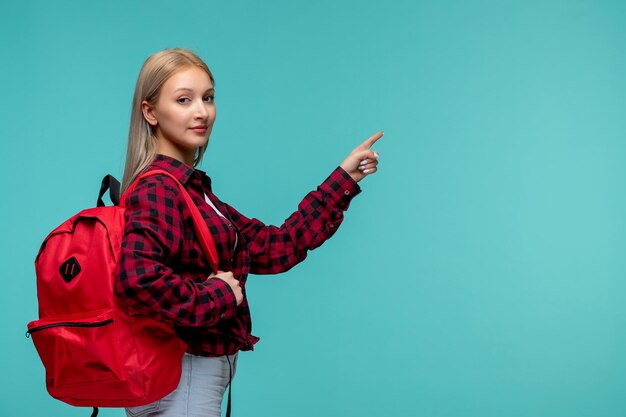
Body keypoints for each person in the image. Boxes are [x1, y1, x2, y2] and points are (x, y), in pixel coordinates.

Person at [115, 48, 382, 417]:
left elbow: (277, 246)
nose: (201, 111)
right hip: (184, 377)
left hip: (186, 378)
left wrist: (345, 178)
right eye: (183, 100)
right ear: (150, 112)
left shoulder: (194, 194)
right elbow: (137, 278)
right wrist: (219, 296)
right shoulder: (158, 189)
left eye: (208, 98)